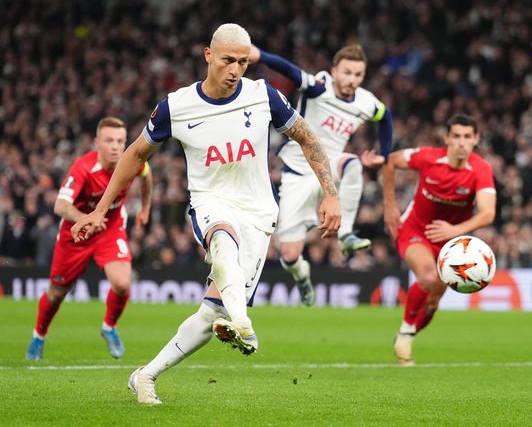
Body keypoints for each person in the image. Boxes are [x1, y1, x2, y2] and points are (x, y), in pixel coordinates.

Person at [71, 24, 340, 404]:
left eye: (243, 62)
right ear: (208, 55)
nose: (236, 70)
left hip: (259, 214)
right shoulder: (176, 106)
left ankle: (145, 375)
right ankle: (243, 322)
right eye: (228, 60)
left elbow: (307, 137)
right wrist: (100, 209)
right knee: (222, 240)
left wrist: (331, 194)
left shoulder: (263, 95)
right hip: (210, 203)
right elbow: (135, 154)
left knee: (210, 311)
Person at [249, 43, 393, 306]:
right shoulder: (319, 87)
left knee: (353, 165)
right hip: (298, 173)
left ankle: (347, 234)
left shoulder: (366, 101)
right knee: (290, 255)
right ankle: (302, 276)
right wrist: (260, 56)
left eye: (358, 75)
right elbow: (290, 71)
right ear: (334, 71)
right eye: (347, 73)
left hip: (330, 166)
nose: (352, 80)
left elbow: (385, 117)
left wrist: (384, 153)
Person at [25, 116, 152, 361]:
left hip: (110, 230)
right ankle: (38, 336)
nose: (116, 146)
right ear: (97, 143)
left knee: (123, 283)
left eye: (120, 141)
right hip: (76, 234)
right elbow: (60, 205)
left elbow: (147, 176)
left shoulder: (132, 162)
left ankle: (109, 327)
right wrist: (85, 218)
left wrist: (145, 207)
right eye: (109, 141)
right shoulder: (83, 168)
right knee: (56, 293)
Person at [383, 114, 496, 366]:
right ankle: (405, 331)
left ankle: (408, 334)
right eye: (456, 136)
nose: (461, 143)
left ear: (476, 139)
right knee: (428, 276)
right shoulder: (428, 157)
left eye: (467, 137)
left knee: (433, 300)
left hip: (451, 242)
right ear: (446, 138)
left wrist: (454, 230)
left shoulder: (481, 169)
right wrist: (390, 206)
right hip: (414, 230)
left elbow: (488, 213)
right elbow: (390, 162)